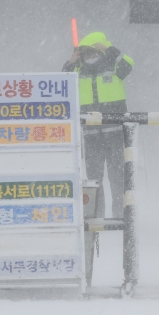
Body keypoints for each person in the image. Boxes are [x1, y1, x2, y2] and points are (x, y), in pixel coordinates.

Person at [63, 32, 134, 218]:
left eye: (94, 53)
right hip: (90, 133)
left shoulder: (114, 66)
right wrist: (71, 62)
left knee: (117, 176)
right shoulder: (78, 70)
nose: (90, 57)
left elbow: (128, 65)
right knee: (94, 178)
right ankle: (97, 216)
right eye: (86, 54)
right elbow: (63, 84)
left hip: (115, 130)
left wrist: (110, 49)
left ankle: (120, 216)